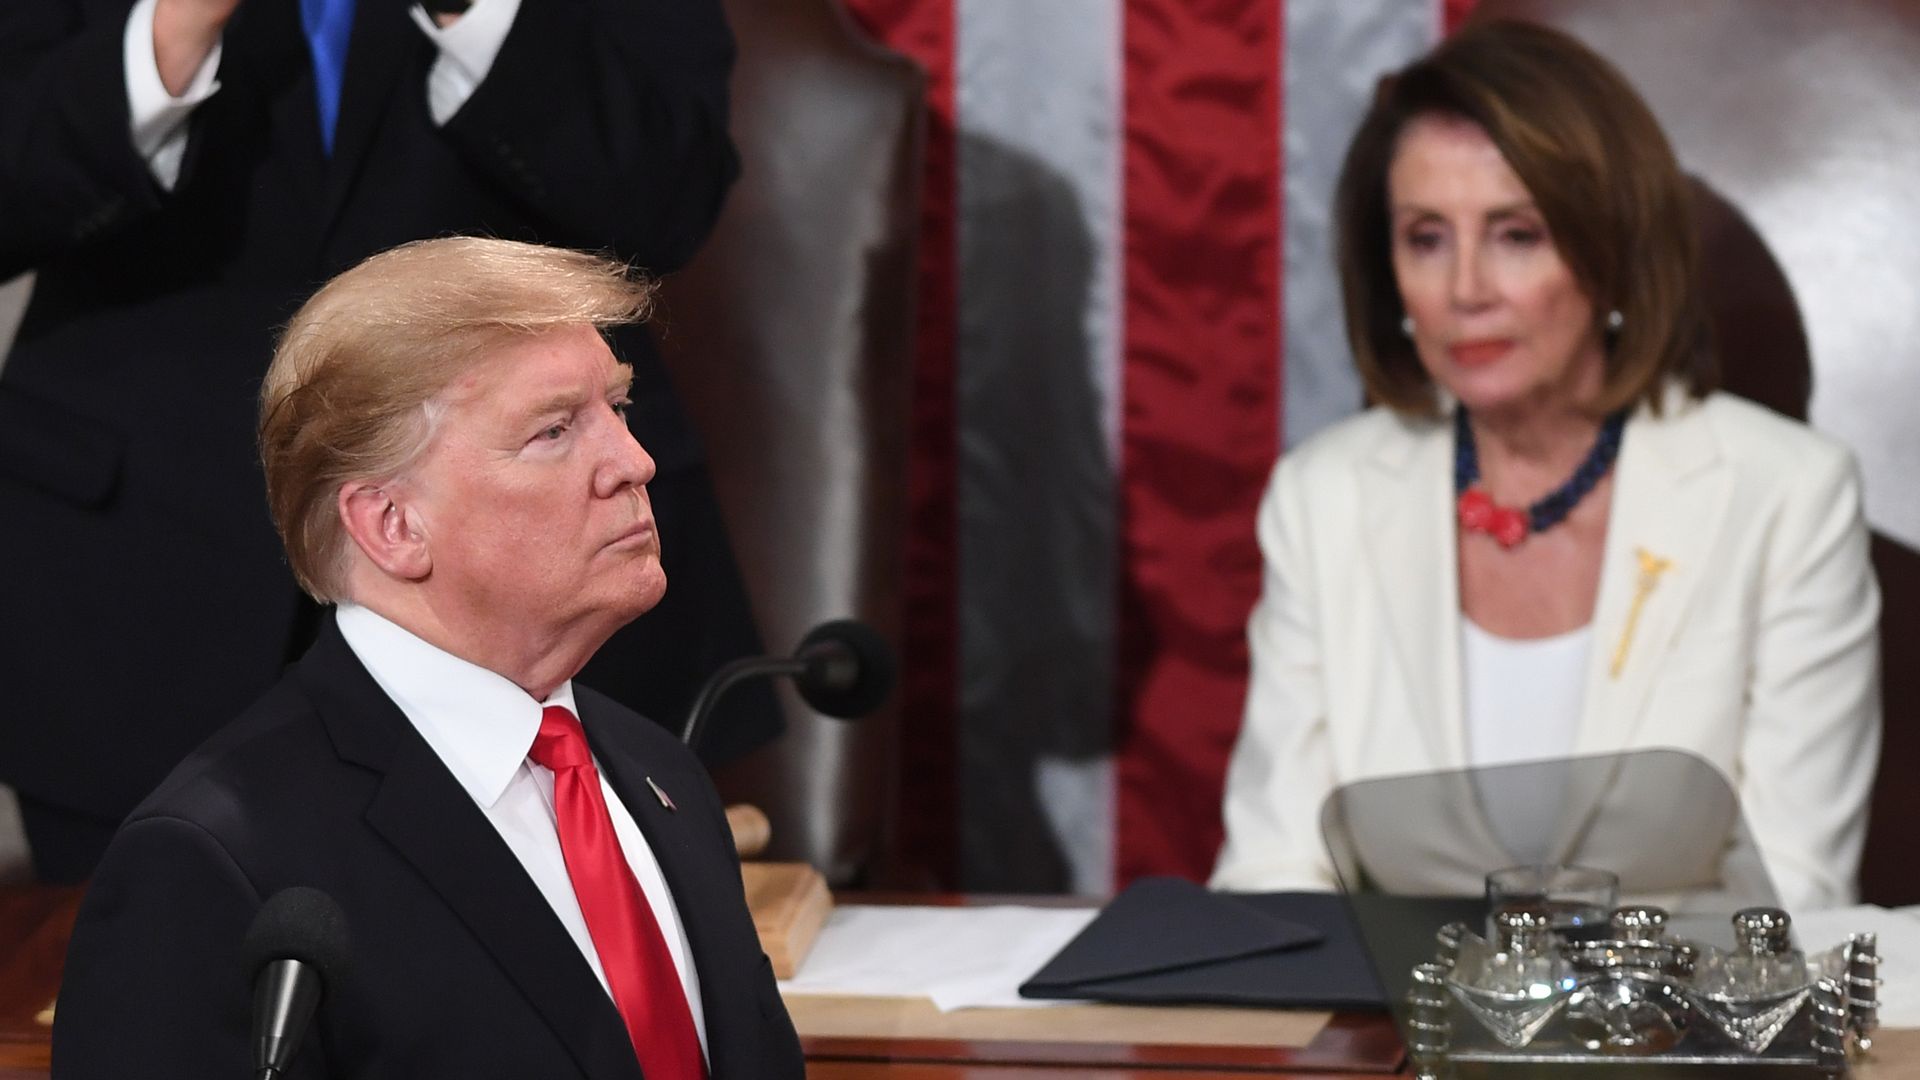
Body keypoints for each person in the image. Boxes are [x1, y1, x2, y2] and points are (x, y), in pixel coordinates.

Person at [0, 0, 777, 883]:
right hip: (128, 593)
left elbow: (664, 193)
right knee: (156, 999)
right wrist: (171, 32)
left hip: (538, 588)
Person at [52, 237, 805, 1079]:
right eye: (554, 430)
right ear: (393, 526)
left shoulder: (659, 775)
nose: (635, 462)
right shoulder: (212, 863)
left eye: (620, 409)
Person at [1210, 20, 1880, 911]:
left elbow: (1791, 900)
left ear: (1608, 255)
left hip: (1675, 1040)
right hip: (1396, 1043)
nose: (1466, 291)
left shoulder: (1787, 496)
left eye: (1517, 234)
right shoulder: (1321, 497)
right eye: (1425, 237)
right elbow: (1272, 876)